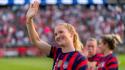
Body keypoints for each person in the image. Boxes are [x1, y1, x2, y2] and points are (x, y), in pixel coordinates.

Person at [26, 1, 87, 70]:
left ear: (71, 34)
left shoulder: (80, 59)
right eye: (56, 34)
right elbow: (36, 41)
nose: (58, 36)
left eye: (61, 32)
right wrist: (29, 20)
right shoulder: (57, 52)